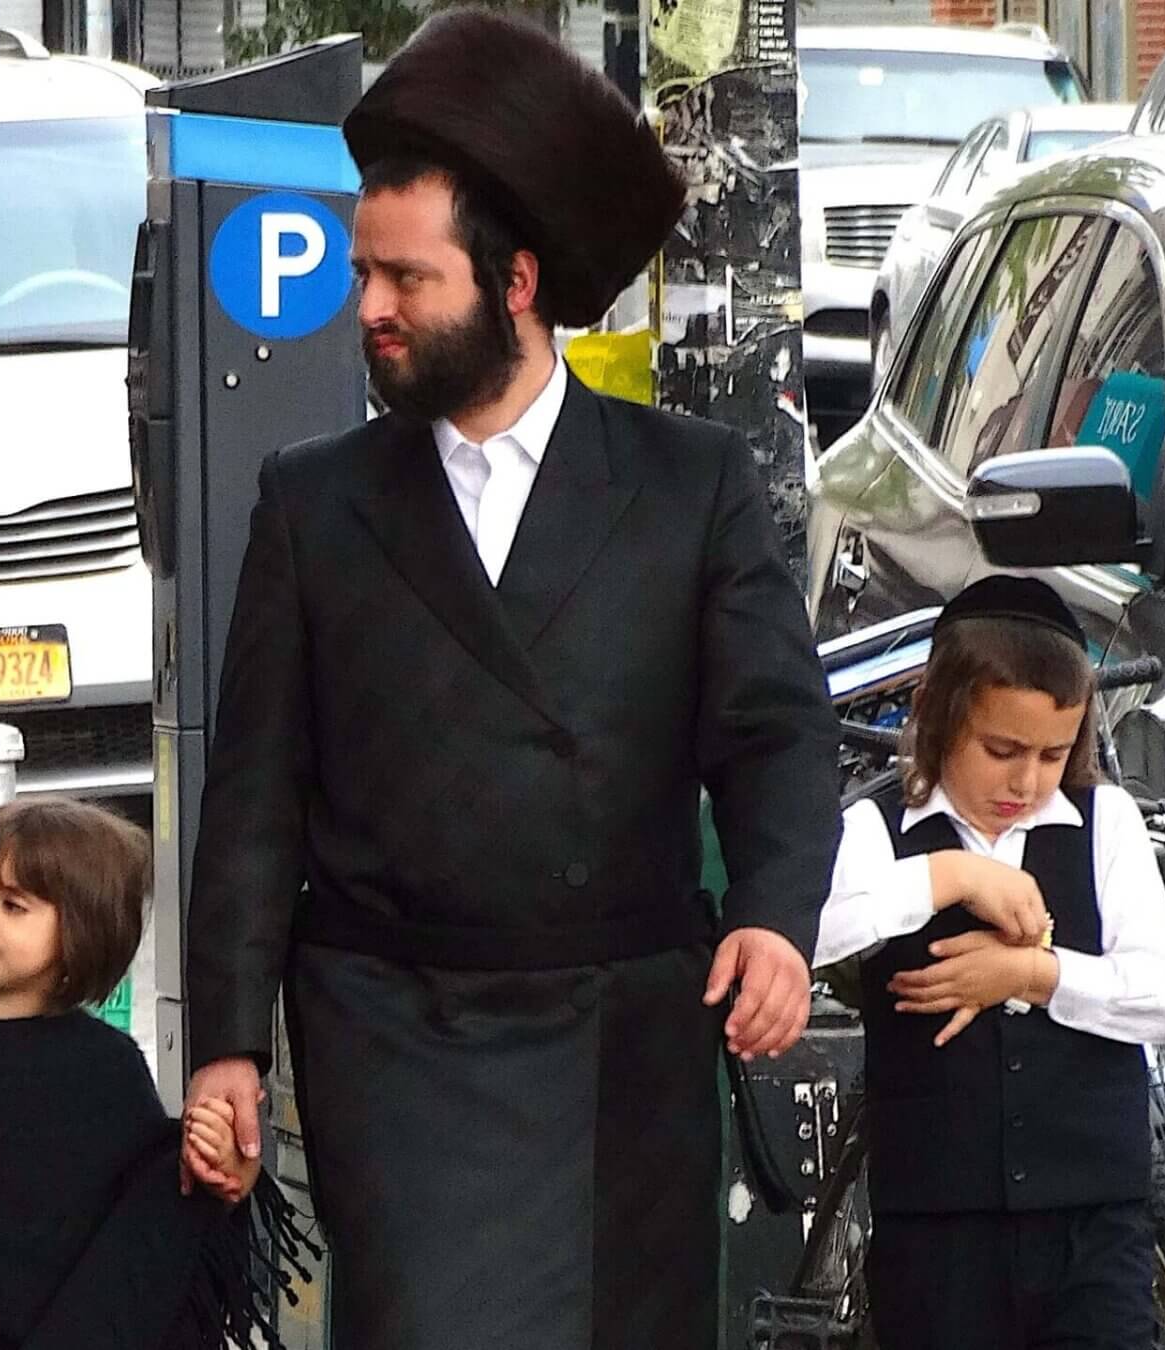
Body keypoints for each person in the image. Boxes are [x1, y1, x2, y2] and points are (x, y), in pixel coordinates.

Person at [177, 11, 843, 1346]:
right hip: (393, 1035)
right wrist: (228, 1045)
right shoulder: (313, 501)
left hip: (625, 1040)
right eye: (364, 273)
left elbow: (775, 731)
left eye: (406, 279)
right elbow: (253, 797)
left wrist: (776, 917)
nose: (368, 308)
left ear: (516, 282)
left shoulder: (689, 484)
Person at [814, 575, 1165, 1349]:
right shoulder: (881, 830)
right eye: (1001, 751)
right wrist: (948, 876)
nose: (1027, 781)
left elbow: (1164, 997)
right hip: (938, 1232)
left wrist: (1032, 975)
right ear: (936, 715)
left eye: (1054, 754)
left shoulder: (1104, 824)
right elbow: (812, 934)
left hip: (1092, 1223)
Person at [0, 800, 303, 1350]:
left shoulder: (104, 1066)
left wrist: (213, 1160)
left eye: (13, 905)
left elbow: (150, 1222)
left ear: (82, 929)